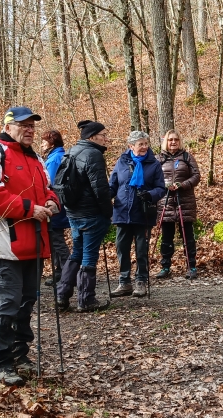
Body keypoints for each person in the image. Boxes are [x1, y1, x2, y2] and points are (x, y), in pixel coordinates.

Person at [0, 107, 61, 386]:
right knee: (8, 302)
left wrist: (50, 202)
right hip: (6, 243)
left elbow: (48, 189)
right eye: (23, 125)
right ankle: (0, 361)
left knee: (28, 301)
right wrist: (29, 209)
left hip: (35, 241)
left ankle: (19, 352)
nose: (29, 130)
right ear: (8, 126)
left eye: (32, 126)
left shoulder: (35, 158)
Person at [56, 120, 112, 312]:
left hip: (73, 213)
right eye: (103, 135)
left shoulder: (71, 151)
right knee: (88, 255)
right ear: (92, 137)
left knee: (76, 254)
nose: (106, 138)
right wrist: (108, 213)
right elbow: (100, 189)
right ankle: (86, 299)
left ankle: (62, 295)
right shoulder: (93, 154)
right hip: (91, 214)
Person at [109, 131, 167, 297]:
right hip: (122, 212)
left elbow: (160, 188)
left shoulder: (154, 164)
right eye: (140, 144)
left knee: (141, 249)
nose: (144, 147)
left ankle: (141, 281)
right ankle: (124, 282)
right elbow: (113, 185)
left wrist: (150, 195)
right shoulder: (122, 161)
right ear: (131, 146)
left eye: (145, 144)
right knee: (122, 248)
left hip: (143, 213)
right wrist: (105, 197)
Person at [155, 130, 201, 280]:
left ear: (179, 141)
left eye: (175, 140)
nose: (173, 142)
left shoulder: (187, 157)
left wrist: (183, 185)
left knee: (188, 236)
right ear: (166, 142)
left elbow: (196, 176)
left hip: (185, 201)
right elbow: (154, 178)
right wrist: (165, 185)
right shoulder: (159, 159)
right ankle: (165, 266)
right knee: (166, 236)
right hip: (166, 201)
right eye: (170, 140)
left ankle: (191, 266)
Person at [41, 130, 71, 289]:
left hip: (55, 202)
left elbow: (48, 182)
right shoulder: (61, 155)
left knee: (56, 239)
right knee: (54, 238)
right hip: (60, 202)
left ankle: (68, 271)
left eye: (44, 141)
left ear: (51, 142)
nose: (42, 144)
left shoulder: (54, 158)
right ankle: (60, 271)